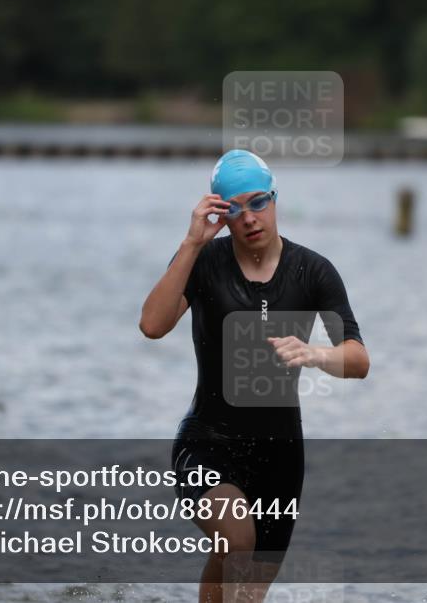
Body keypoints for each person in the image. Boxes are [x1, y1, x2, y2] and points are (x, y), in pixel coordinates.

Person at [140, 150, 369, 602]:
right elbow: (152, 325)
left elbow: (358, 360)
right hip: (208, 441)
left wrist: (314, 353)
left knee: (247, 591)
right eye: (234, 209)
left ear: (275, 199)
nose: (249, 217)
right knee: (236, 540)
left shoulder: (313, 271)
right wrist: (191, 244)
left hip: (280, 458)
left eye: (258, 202)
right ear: (220, 214)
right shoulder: (204, 262)